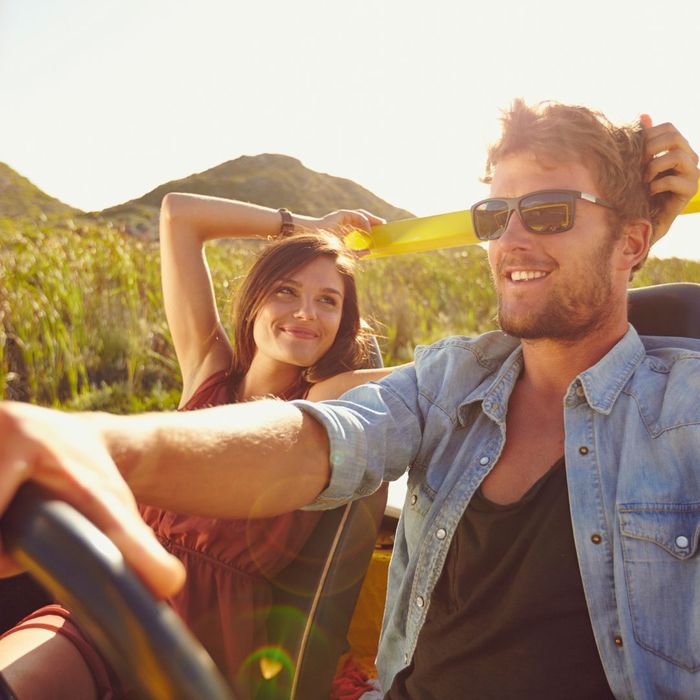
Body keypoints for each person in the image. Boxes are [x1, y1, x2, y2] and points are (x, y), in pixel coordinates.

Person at [1, 103, 699, 698]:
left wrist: (610, 254)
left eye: (548, 213)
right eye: (493, 216)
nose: (510, 239)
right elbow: (319, 439)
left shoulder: (683, 408)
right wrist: (102, 444)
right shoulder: (448, 382)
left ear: (634, 240)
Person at [0, 200, 393, 699]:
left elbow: (443, 373)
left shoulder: (324, 402)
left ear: (342, 321)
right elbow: (179, 215)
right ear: (254, 302)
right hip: (107, 607)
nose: (304, 313)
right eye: (286, 291)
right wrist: (308, 226)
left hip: (207, 650)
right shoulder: (208, 370)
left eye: (328, 301)